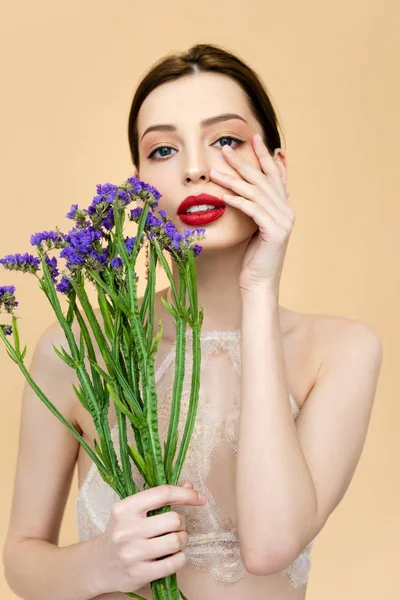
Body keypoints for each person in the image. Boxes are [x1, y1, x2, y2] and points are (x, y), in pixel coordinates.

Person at [3, 43, 383, 600]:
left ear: (275, 166)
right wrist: (102, 564)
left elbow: (271, 546)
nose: (195, 168)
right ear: (137, 183)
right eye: (162, 150)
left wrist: (259, 289)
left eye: (225, 139)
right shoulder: (79, 349)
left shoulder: (339, 351)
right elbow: (20, 558)